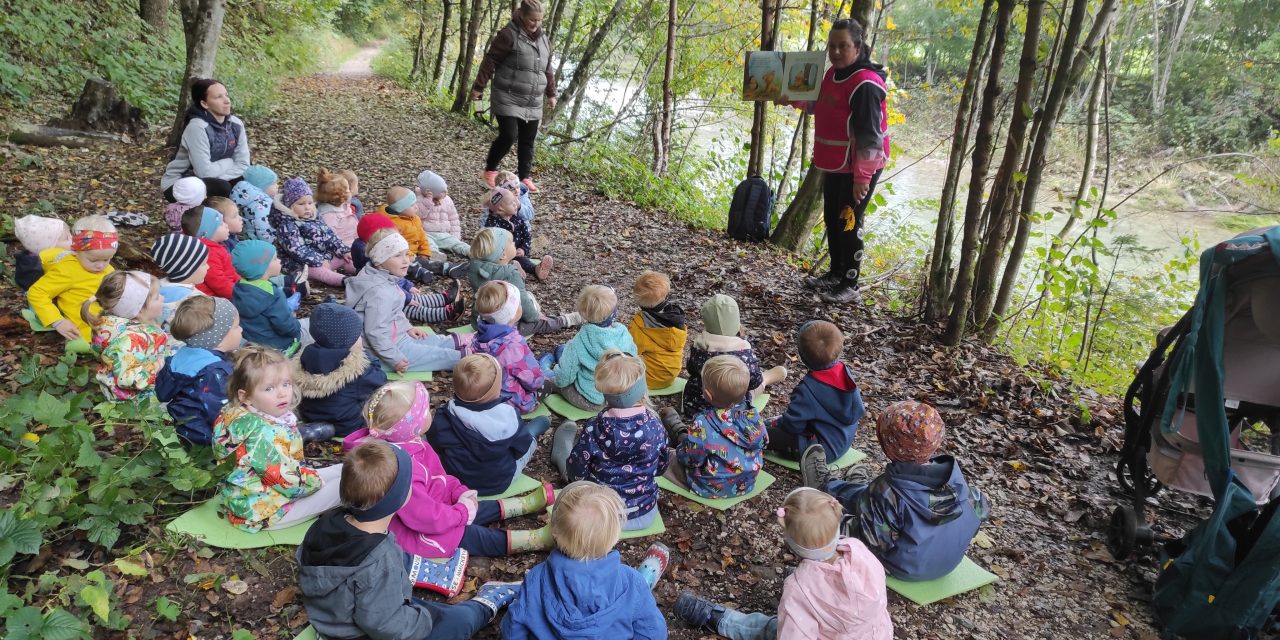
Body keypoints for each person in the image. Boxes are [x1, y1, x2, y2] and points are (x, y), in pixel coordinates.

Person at [296, 441, 522, 640]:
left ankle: (429, 573)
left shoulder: (326, 523)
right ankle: (486, 602)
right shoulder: (378, 563)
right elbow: (385, 625)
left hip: (334, 607)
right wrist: (425, 619)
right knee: (458, 621)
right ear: (400, 499)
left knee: (396, 563)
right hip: (358, 630)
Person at [343, 381, 556, 558]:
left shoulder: (410, 442)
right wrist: (461, 512)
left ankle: (519, 505)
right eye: (425, 410)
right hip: (422, 532)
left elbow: (439, 475)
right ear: (412, 426)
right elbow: (426, 518)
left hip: (438, 506)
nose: (430, 411)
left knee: (474, 506)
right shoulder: (399, 470)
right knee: (473, 536)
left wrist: (459, 492)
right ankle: (534, 540)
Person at [673, 487, 893, 639]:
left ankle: (719, 619)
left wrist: (805, 589)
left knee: (766, 628)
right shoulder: (858, 551)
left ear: (793, 545)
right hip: (876, 634)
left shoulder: (798, 588)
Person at [808, 400, 990, 581]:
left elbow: (870, 542)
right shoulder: (958, 483)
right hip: (947, 565)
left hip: (901, 567)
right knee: (880, 499)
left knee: (866, 505)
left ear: (889, 446)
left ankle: (827, 486)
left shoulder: (887, 492)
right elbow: (978, 513)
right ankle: (854, 489)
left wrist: (833, 517)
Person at [782, 20, 889, 304]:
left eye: (843, 46)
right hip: (837, 164)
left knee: (848, 223)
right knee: (832, 217)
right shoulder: (833, 73)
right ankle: (836, 272)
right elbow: (819, 104)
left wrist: (862, 178)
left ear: (858, 47)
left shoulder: (865, 83)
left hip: (860, 166)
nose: (837, 51)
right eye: (832, 46)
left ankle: (850, 284)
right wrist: (790, 99)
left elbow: (870, 135)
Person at [501, 481, 672, 639]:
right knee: (638, 595)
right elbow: (653, 632)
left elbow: (513, 627)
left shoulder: (535, 580)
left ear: (554, 533)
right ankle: (647, 578)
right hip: (634, 588)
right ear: (615, 537)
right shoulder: (631, 582)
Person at [213, 346, 343, 532]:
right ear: (246, 397)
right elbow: (290, 483)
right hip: (263, 513)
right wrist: (316, 481)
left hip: (243, 498)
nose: (282, 393)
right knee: (350, 486)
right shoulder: (266, 434)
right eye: (269, 388)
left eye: (286, 384)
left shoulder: (231, 414)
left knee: (343, 470)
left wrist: (312, 477)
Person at [552, 351, 667, 531]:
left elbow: (577, 472)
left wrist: (576, 481)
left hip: (599, 515)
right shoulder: (655, 427)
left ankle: (561, 452)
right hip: (644, 513)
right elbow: (661, 467)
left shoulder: (595, 428)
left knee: (572, 460)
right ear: (642, 389)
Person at [427, 353, 551, 496]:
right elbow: (520, 449)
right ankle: (534, 432)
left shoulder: (445, 415)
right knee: (528, 442)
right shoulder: (508, 416)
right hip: (500, 481)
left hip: (458, 480)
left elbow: (435, 445)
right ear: (496, 389)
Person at [346, 230, 466, 373]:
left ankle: (468, 343)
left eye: (406, 254)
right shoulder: (379, 293)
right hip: (383, 352)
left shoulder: (384, 276)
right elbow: (375, 333)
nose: (406, 260)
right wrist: (394, 359)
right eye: (397, 255)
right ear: (379, 259)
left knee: (437, 341)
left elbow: (395, 311)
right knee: (440, 356)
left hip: (396, 338)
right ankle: (474, 358)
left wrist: (407, 327)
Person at [471, 0, 557, 192]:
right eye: (531, 19)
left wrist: (551, 93)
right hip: (507, 94)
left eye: (539, 20)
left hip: (533, 99)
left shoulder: (544, 40)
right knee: (509, 135)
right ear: (521, 15)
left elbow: (548, 68)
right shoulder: (508, 34)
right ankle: (490, 171)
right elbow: (490, 60)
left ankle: (524, 176)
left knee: (528, 139)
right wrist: (479, 87)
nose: (536, 24)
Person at [666, 356, 767, 498]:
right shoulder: (753, 415)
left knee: (667, 458)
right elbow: (763, 441)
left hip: (710, 486)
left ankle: (677, 432)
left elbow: (691, 459)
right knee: (696, 441)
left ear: (707, 394)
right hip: (747, 483)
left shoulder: (704, 423)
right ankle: (681, 433)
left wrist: (678, 452)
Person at [769, 320, 865, 470]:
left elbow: (792, 426)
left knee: (765, 433)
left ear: (803, 358)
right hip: (843, 441)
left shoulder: (807, 390)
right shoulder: (844, 373)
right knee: (775, 422)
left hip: (819, 452)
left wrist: (778, 425)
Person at [156, 296, 241, 447]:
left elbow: (162, 393)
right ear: (218, 338)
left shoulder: (180, 356)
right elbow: (225, 414)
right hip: (206, 440)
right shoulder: (215, 373)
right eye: (236, 326)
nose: (241, 329)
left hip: (186, 429)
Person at [293, 303, 388, 438]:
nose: (360, 338)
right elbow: (380, 381)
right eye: (357, 336)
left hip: (310, 414)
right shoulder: (359, 367)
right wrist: (370, 360)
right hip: (348, 425)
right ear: (349, 340)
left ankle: (316, 429)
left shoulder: (305, 355)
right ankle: (327, 429)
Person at [682, 294, 786, 416]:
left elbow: (691, 369)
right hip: (734, 407)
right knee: (756, 386)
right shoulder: (744, 351)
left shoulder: (699, 346)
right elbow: (754, 382)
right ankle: (769, 377)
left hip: (697, 404)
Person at [467, 228, 577, 336]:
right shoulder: (509, 274)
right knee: (539, 322)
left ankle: (520, 271)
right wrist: (534, 316)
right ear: (503, 255)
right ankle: (566, 320)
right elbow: (522, 300)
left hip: (480, 322)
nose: (514, 242)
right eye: (510, 242)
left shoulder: (475, 269)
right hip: (504, 325)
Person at [27, 215, 118, 343]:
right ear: (75, 251)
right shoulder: (67, 270)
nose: (101, 265)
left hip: (111, 321)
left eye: (107, 259)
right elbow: (37, 293)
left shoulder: (107, 269)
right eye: (93, 260)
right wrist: (58, 322)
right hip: (86, 333)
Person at [82, 271, 171, 401]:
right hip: (136, 400)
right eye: (157, 297)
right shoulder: (131, 340)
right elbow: (130, 380)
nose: (163, 298)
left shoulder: (110, 323)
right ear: (139, 310)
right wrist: (158, 364)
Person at [548, 285, 637, 412]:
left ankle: (545, 371)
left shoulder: (579, 341)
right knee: (566, 353)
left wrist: (555, 378)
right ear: (614, 313)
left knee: (560, 381)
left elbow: (564, 377)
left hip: (592, 400)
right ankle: (561, 355)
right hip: (621, 397)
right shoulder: (623, 333)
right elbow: (633, 359)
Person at [162, 78, 250, 200]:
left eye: (226, 95)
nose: (227, 101)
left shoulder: (236, 124)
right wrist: (229, 162)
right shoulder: (197, 128)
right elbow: (204, 172)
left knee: (251, 179)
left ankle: (241, 218)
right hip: (180, 182)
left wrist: (226, 177)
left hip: (216, 178)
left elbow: (243, 163)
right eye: (219, 97)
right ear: (204, 104)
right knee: (223, 187)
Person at [472, 281, 552, 414]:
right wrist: (542, 378)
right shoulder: (513, 345)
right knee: (546, 383)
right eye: (519, 304)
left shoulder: (478, 336)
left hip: (485, 397)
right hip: (512, 403)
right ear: (512, 314)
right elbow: (533, 381)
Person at [269, 177, 354, 288]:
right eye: (301, 204)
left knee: (345, 258)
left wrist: (343, 250)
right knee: (316, 271)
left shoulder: (316, 218)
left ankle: (362, 270)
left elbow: (330, 236)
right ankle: (344, 281)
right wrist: (318, 260)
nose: (307, 207)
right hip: (299, 264)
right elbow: (297, 250)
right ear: (289, 206)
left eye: (310, 203)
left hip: (323, 258)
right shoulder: (287, 225)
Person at [230, 240, 302, 353]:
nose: (279, 261)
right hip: (279, 345)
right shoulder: (272, 294)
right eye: (274, 259)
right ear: (262, 268)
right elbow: (285, 326)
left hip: (254, 345)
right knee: (309, 328)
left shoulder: (239, 287)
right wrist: (296, 324)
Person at [626, 270, 686, 390]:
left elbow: (631, 351)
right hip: (672, 374)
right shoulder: (677, 318)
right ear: (666, 296)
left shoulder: (638, 325)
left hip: (650, 379)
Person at [482, 187, 553, 280]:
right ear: (500, 209)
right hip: (500, 258)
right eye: (512, 203)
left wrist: (523, 249)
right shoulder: (493, 225)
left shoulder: (517, 219)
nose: (516, 205)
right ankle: (514, 271)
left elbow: (526, 236)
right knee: (502, 265)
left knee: (523, 261)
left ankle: (536, 269)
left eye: (515, 202)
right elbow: (491, 245)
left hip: (516, 254)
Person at [150, 233, 210, 330]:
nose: (208, 267)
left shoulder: (156, 287)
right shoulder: (195, 300)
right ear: (186, 268)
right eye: (203, 264)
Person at [182, 206, 239, 299]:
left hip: (233, 287)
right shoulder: (207, 253)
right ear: (207, 233)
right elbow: (219, 283)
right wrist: (240, 296)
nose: (226, 225)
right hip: (218, 300)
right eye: (220, 224)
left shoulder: (213, 246)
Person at [415, 170, 471, 258]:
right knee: (427, 244)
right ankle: (435, 255)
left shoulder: (447, 200)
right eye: (442, 191)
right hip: (426, 233)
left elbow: (453, 218)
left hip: (444, 233)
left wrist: (455, 235)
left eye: (445, 190)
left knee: (456, 244)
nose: (445, 193)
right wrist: (427, 202)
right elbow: (417, 215)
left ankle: (471, 252)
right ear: (428, 191)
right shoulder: (419, 199)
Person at [13, 215, 72, 292]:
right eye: (66, 238)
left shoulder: (31, 261)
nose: (72, 238)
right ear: (48, 248)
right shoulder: (38, 270)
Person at [230, 164, 278, 242]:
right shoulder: (263, 204)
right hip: (263, 241)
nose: (277, 186)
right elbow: (262, 227)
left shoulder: (249, 200)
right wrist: (273, 242)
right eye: (273, 184)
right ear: (262, 186)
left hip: (249, 237)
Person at [316, 168, 359, 249]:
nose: (350, 191)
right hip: (342, 250)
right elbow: (329, 239)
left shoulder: (343, 205)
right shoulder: (328, 216)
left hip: (353, 241)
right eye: (347, 189)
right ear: (339, 195)